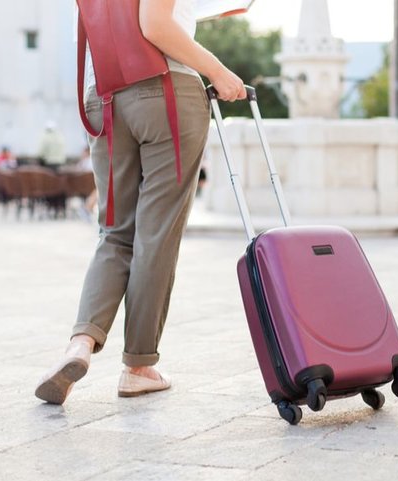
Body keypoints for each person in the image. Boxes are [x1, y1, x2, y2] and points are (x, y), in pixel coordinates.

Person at [34, 0, 246, 404]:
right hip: (163, 91)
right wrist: (218, 71)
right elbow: (154, 25)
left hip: (106, 98)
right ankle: (138, 367)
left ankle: (80, 343)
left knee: (114, 232)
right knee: (156, 233)